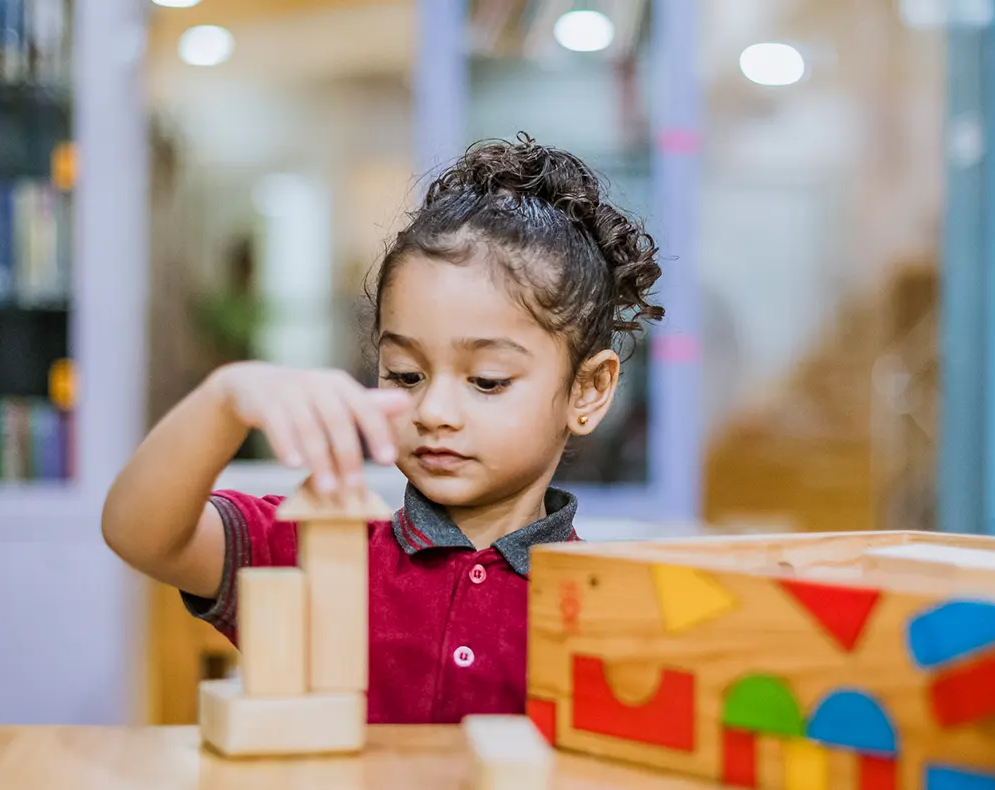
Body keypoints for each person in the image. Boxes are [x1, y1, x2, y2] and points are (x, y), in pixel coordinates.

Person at [102, 133, 664, 724]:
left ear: (588, 389)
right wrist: (224, 399)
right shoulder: (320, 551)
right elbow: (140, 533)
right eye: (405, 373)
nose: (433, 411)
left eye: (488, 380)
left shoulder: (604, 605)